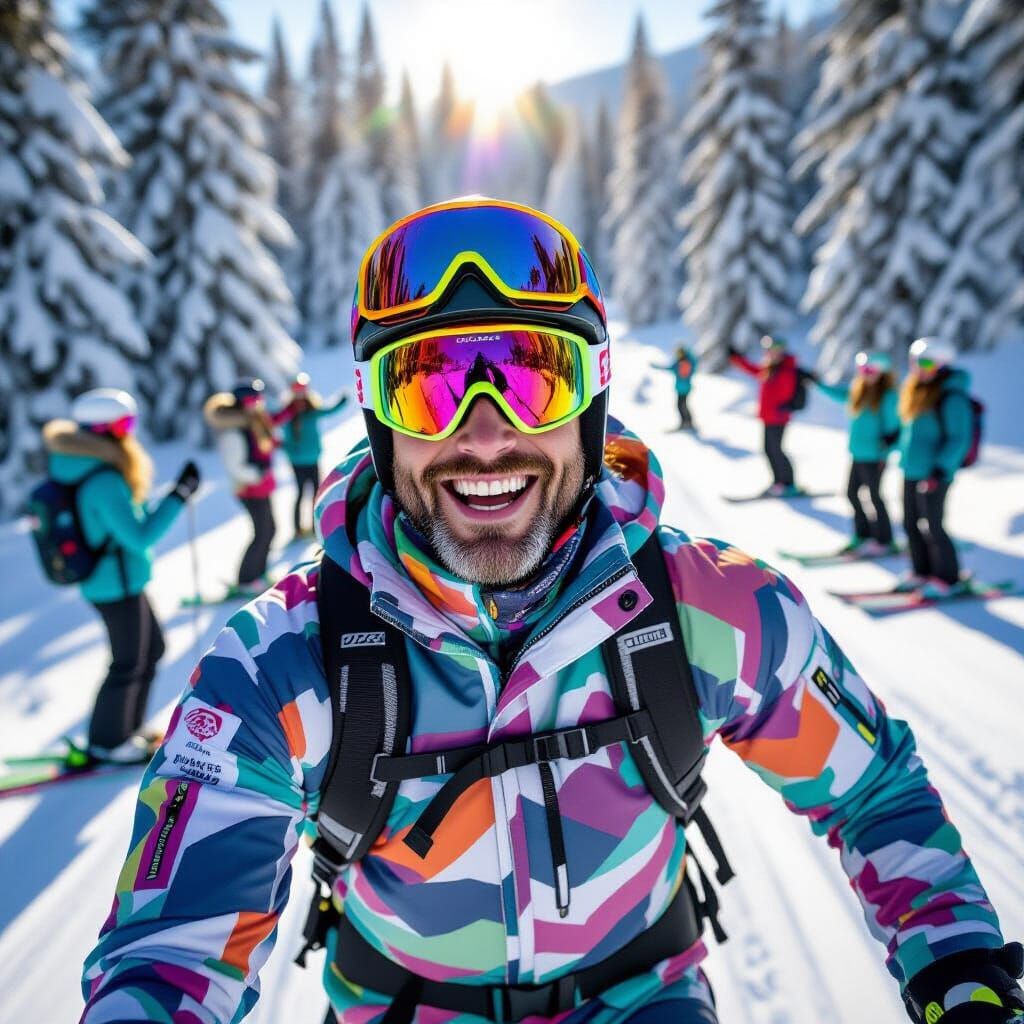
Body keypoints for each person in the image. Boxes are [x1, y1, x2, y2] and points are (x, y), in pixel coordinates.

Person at [82, 200, 1023, 1024]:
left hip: (644, 1000)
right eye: (429, 383)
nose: (485, 435)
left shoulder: (715, 610)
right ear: (377, 415)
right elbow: (172, 952)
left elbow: (871, 789)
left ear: (593, 401)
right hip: (401, 1009)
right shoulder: (281, 662)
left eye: (535, 376)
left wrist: (959, 968)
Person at [41, 388, 199, 760]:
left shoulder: (80, 463)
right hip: (114, 584)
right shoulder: (102, 480)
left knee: (152, 649)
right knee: (128, 660)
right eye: (123, 424)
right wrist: (178, 495)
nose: (129, 432)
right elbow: (139, 534)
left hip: (118, 580)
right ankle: (108, 743)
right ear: (104, 430)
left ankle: (128, 729)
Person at [896, 337, 973, 597]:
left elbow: (959, 438)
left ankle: (949, 579)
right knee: (909, 522)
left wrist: (940, 469)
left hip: (934, 474)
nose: (920, 367)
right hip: (911, 469)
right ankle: (922, 571)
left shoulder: (951, 397)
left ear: (942, 365)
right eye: (915, 362)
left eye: (927, 362)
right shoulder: (916, 389)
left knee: (934, 525)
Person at [815, 350, 900, 554]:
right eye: (862, 369)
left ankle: (884, 540)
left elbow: (896, 429)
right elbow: (839, 395)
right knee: (852, 493)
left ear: (882, 372)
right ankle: (863, 535)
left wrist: (888, 444)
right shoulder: (858, 389)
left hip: (875, 456)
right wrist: (817, 383)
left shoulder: (887, 396)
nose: (865, 374)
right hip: (858, 453)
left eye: (870, 370)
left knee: (874, 496)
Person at [203, 377, 282, 595]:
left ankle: (259, 573)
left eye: (258, 398)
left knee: (270, 529)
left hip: (260, 485)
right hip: (248, 488)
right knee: (263, 531)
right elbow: (234, 465)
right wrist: (257, 474)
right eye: (251, 399)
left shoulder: (253, 421)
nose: (257, 403)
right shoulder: (234, 430)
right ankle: (247, 579)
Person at [727, 335, 808, 496]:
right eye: (770, 351)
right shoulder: (769, 368)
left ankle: (788, 484)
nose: (772, 354)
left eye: (776, 351)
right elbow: (753, 370)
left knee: (776, 450)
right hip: (768, 417)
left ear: (782, 352)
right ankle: (779, 482)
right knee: (769, 450)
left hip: (778, 418)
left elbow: (786, 392)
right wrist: (736, 358)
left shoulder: (786, 370)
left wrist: (781, 408)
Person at [277, 372, 349, 539]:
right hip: (298, 463)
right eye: (297, 394)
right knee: (301, 492)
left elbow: (329, 410)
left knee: (317, 493)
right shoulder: (288, 415)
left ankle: (313, 526)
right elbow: (283, 439)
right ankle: (297, 529)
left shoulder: (312, 411)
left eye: (302, 393)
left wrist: (343, 400)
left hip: (313, 460)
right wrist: (291, 450)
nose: (300, 398)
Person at [650, 344, 698, 430]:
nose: (677, 355)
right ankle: (688, 422)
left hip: (683, 388)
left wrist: (655, 366)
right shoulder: (687, 363)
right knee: (683, 405)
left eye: (679, 353)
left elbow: (668, 368)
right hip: (684, 388)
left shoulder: (681, 364)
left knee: (681, 405)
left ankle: (686, 423)